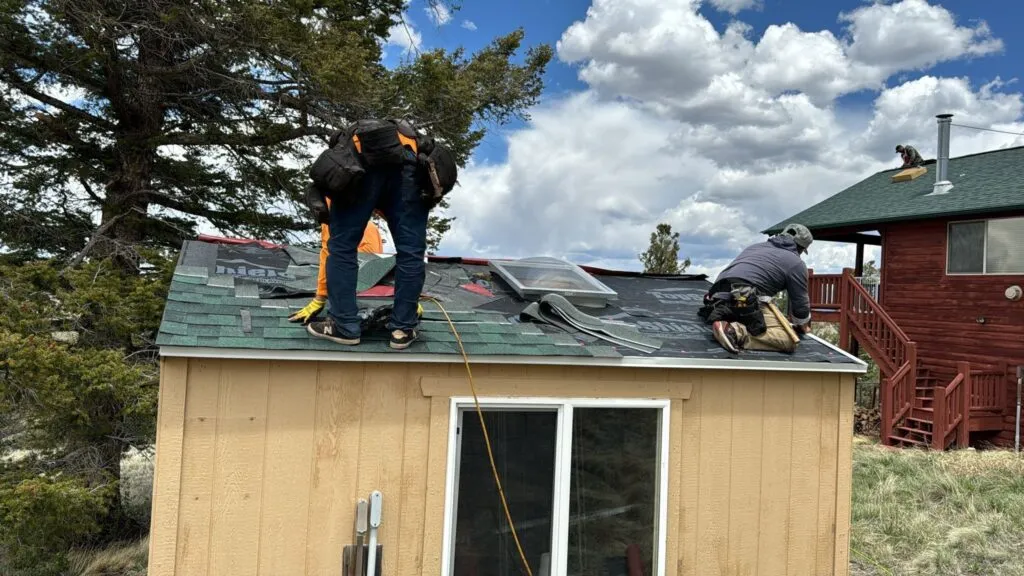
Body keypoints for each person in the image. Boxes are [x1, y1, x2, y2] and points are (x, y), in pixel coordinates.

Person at [306, 121, 428, 350]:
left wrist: (320, 296)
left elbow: (331, 245)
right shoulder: (410, 142)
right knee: (411, 252)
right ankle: (402, 329)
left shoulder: (345, 157)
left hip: (361, 162)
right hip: (408, 165)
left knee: (342, 247)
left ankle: (343, 326)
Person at [698, 223, 813, 354]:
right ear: (801, 248)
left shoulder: (755, 247)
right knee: (787, 339)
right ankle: (734, 332)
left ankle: (730, 321)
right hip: (744, 297)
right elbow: (800, 306)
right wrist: (802, 325)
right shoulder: (796, 263)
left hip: (716, 296)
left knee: (746, 308)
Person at [287, 201, 383, 325]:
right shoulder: (364, 220)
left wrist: (320, 297)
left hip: (362, 282)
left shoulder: (336, 207)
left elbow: (332, 254)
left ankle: (345, 324)